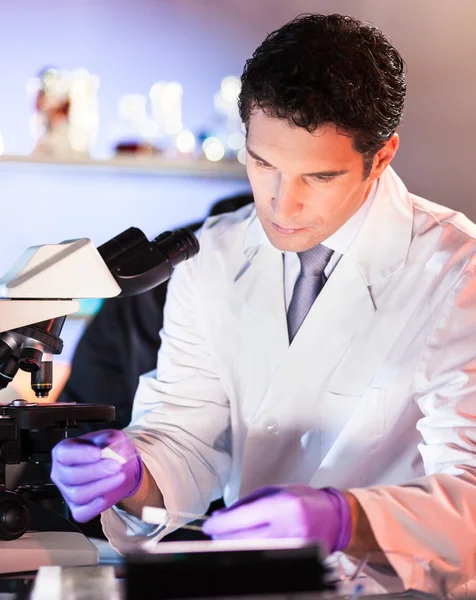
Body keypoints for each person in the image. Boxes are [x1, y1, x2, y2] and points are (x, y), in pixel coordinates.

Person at [51, 13, 476, 591]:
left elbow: (470, 496)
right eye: (263, 163)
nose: (282, 205)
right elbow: (187, 436)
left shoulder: (458, 271)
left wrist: (346, 519)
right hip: (249, 582)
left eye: (319, 177)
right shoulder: (215, 254)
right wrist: (132, 474)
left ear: (381, 157)